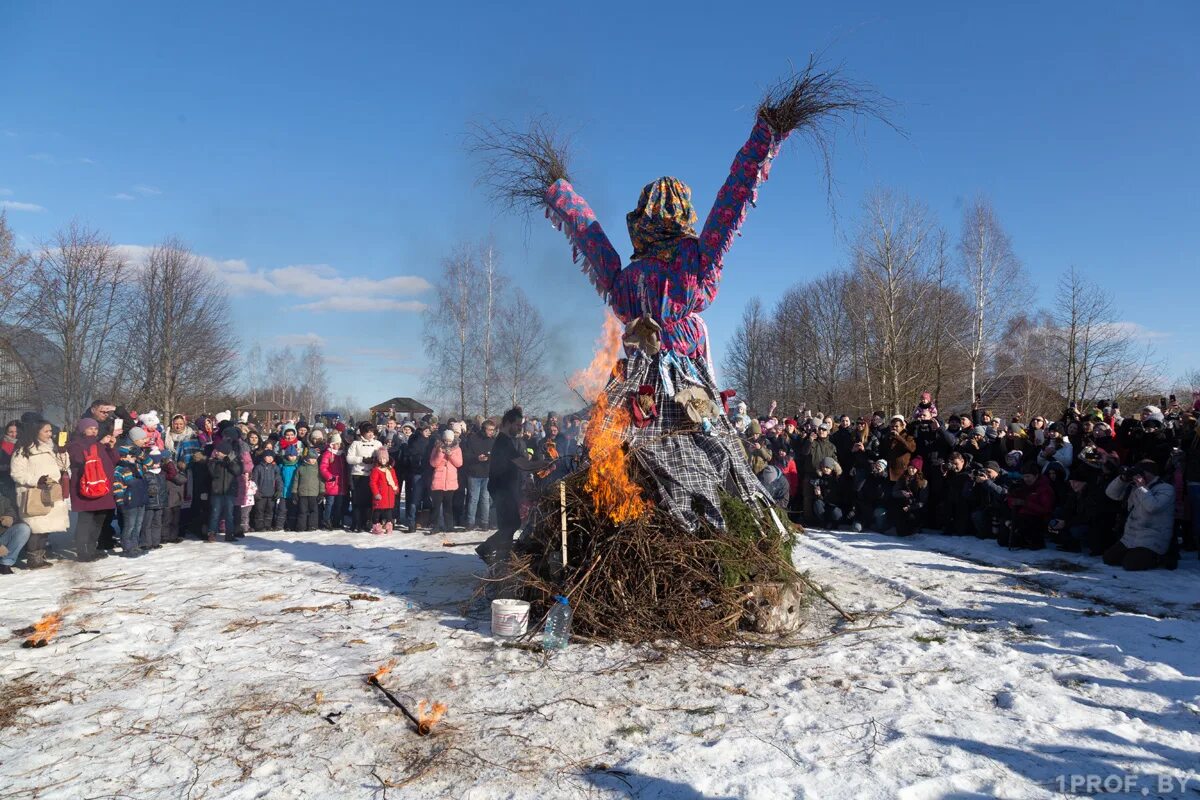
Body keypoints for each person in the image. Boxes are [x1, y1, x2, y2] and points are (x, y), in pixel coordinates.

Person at [9, 420, 70, 569]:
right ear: (36, 432)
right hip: (33, 494)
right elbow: (16, 474)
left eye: (50, 431)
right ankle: (33, 559)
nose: (50, 434)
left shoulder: (51, 448)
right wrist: (36, 480)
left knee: (46, 527)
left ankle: (40, 556)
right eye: (46, 431)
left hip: (51, 492)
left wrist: (62, 451)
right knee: (36, 528)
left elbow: (64, 467)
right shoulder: (23, 450)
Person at [477, 407, 532, 565]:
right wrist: (544, 464)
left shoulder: (508, 441)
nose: (520, 428)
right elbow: (523, 463)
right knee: (511, 524)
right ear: (508, 423)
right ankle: (488, 550)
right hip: (502, 490)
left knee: (510, 524)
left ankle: (502, 558)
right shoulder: (503, 442)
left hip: (508, 489)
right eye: (517, 425)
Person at [1103, 460, 1176, 570]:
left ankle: (1159, 558)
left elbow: (1152, 507)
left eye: (1140, 472)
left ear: (1150, 473)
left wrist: (1142, 487)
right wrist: (1122, 479)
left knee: (1131, 565)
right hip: (1131, 536)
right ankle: (1134, 554)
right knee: (1109, 558)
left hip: (1153, 537)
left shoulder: (1166, 488)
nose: (1136, 475)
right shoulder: (1133, 487)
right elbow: (1111, 494)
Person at [66, 417, 117, 561]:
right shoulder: (76, 444)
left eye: (95, 429)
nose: (94, 431)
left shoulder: (98, 444)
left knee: (99, 520)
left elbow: (113, 461)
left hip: (102, 488)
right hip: (86, 489)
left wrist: (111, 447)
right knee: (85, 521)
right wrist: (99, 444)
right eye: (90, 428)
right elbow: (81, 459)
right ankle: (82, 551)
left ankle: (92, 548)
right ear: (83, 430)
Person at [111, 445, 149, 557]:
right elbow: (117, 487)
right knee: (130, 526)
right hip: (129, 502)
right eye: (131, 455)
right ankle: (127, 548)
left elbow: (150, 463)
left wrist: (141, 454)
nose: (134, 457)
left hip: (140, 500)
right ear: (123, 457)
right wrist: (120, 502)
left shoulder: (137, 466)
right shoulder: (119, 470)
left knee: (138, 525)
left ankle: (135, 546)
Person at [345, 422, 382, 533]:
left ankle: (368, 522)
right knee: (357, 500)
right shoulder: (356, 443)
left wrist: (375, 460)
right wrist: (362, 459)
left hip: (372, 475)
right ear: (362, 433)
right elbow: (349, 458)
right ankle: (356, 523)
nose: (370, 434)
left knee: (369, 501)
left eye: (372, 431)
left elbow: (383, 457)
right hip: (358, 474)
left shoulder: (377, 443)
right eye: (368, 432)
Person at [461, 419, 496, 530]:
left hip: (487, 473)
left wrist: (489, 457)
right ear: (483, 429)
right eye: (489, 430)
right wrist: (477, 458)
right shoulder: (472, 439)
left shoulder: (493, 441)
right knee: (473, 499)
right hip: (474, 473)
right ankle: (470, 522)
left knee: (485, 499)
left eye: (493, 430)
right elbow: (465, 455)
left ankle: (485, 522)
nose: (491, 432)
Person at [207, 440, 244, 542]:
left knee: (229, 514)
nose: (217, 453)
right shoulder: (214, 461)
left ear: (224, 452)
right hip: (217, 491)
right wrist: (214, 461)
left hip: (230, 491)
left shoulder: (235, 460)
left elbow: (238, 471)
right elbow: (212, 473)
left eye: (219, 451)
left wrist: (228, 462)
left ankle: (229, 534)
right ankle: (212, 533)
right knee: (215, 513)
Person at [429, 429, 464, 534]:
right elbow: (433, 463)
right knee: (436, 506)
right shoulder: (437, 447)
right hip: (438, 480)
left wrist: (451, 455)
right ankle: (435, 526)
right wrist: (440, 453)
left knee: (448, 506)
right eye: (445, 440)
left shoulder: (457, 449)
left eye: (449, 440)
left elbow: (459, 463)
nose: (447, 442)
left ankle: (449, 526)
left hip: (450, 481)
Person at [291, 450, 324, 532]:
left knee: (314, 511)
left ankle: (312, 526)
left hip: (314, 494)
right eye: (311, 458)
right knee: (302, 511)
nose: (313, 460)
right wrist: (294, 492)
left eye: (315, 458)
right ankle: (301, 526)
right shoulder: (301, 468)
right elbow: (296, 481)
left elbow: (321, 481)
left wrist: (322, 492)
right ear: (307, 458)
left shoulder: (318, 469)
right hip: (302, 494)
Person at [319, 434, 347, 531]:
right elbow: (323, 468)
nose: (338, 446)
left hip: (341, 484)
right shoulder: (328, 454)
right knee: (330, 503)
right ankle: (326, 520)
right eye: (336, 444)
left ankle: (336, 521)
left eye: (339, 444)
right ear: (332, 444)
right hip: (332, 483)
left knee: (339, 504)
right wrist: (329, 477)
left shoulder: (342, 455)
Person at [0, 489, 31, 574]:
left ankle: (5, 564)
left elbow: (11, 509)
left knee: (23, 529)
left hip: (2, 536)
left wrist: (10, 517)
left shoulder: (2, 498)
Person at [369, 448, 399, 535]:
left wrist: (396, 488)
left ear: (387, 459)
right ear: (378, 459)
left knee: (388, 511)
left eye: (384, 458)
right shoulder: (376, 470)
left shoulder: (391, 469)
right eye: (381, 458)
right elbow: (373, 482)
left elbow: (395, 480)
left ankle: (389, 524)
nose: (383, 460)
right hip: (381, 494)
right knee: (377, 511)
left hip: (389, 494)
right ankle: (376, 525)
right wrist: (376, 493)